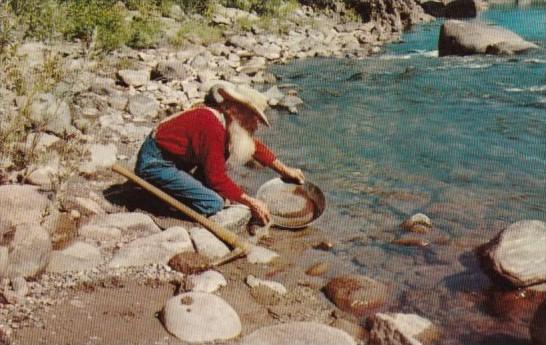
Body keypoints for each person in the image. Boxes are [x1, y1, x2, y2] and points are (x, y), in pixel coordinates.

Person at [135, 82, 305, 225]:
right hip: (156, 163)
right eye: (254, 117)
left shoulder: (225, 119)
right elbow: (216, 178)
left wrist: (284, 170)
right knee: (213, 203)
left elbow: (254, 147)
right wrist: (250, 201)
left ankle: (177, 187)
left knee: (223, 188)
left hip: (175, 160)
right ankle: (154, 199)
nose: (256, 124)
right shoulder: (211, 126)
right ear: (234, 109)